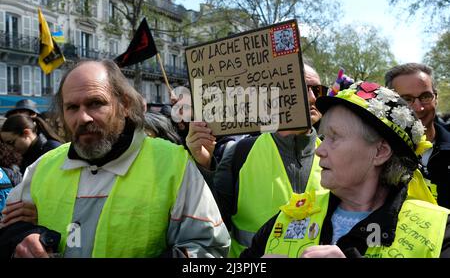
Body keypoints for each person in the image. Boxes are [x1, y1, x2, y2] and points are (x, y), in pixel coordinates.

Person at [0, 60, 229, 258]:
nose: (83, 117)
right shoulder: (43, 166)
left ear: (125, 105)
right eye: (72, 107)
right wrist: (22, 238)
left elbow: (208, 247)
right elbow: (8, 230)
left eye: (95, 103)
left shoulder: (173, 164)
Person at [241, 81, 450, 258]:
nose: (319, 151)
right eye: (323, 137)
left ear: (380, 152)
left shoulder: (437, 229)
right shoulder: (292, 213)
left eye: (335, 137)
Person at [187, 62, 327, 257]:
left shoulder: (333, 153)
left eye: (318, 90)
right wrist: (204, 164)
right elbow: (212, 220)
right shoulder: (241, 152)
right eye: (302, 89)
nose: (313, 97)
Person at [385, 63, 450, 208]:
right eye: (406, 99)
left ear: (436, 98)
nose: (418, 108)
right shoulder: (377, 155)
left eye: (425, 96)